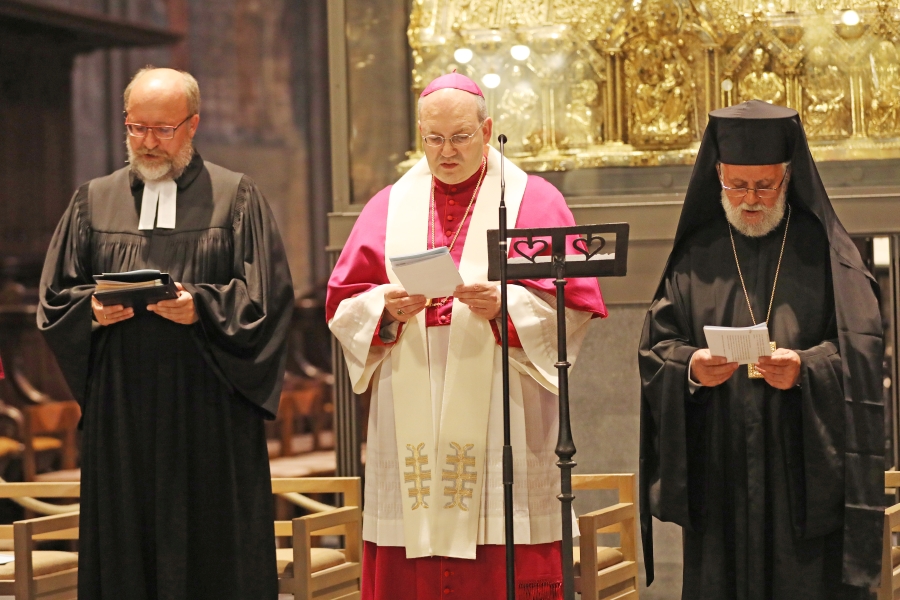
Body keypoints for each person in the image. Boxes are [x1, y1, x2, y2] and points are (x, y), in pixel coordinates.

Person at [327, 72, 607, 600]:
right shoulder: (388, 205)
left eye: (460, 137)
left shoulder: (533, 200)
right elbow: (344, 305)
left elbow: (574, 304)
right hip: (411, 391)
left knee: (499, 533)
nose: (446, 151)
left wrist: (508, 306)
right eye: (433, 139)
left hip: (502, 396)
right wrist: (384, 310)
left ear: (487, 129)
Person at [38, 67, 294, 600]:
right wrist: (92, 311)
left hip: (209, 408)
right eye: (137, 128)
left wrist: (200, 305)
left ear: (193, 124)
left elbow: (267, 300)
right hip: (123, 409)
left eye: (164, 130)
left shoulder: (236, 198)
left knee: (210, 542)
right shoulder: (93, 199)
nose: (149, 143)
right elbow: (55, 297)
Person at [639, 100, 884, 599]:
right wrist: (691, 368)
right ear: (719, 177)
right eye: (737, 185)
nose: (750, 199)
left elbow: (860, 350)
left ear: (787, 178)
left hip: (803, 469)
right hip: (721, 464)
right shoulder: (695, 253)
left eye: (763, 186)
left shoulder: (824, 251)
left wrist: (807, 368)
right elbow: (656, 348)